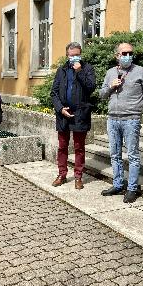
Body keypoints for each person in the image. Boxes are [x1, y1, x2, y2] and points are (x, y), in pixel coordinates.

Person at [99, 42, 143, 202]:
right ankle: (118, 184)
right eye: (124, 53)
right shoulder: (110, 73)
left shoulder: (140, 71)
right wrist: (110, 86)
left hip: (131, 119)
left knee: (133, 155)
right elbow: (101, 94)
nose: (128, 56)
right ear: (117, 56)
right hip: (113, 118)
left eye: (130, 53)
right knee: (115, 154)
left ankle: (132, 188)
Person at [51, 42, 96, 190]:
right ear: (67, 55)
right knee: (62, 147)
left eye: (77, 55)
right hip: (63, 114)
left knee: (79, 147)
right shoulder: (61, 70)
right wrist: (59, 108)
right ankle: (62, 174)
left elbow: (91, 87)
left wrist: (80, 71)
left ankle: (78, 177)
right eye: (72, 55)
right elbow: (54, 92)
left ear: (81, 54)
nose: (75, 58)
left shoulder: (87, 68)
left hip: (80, 114)